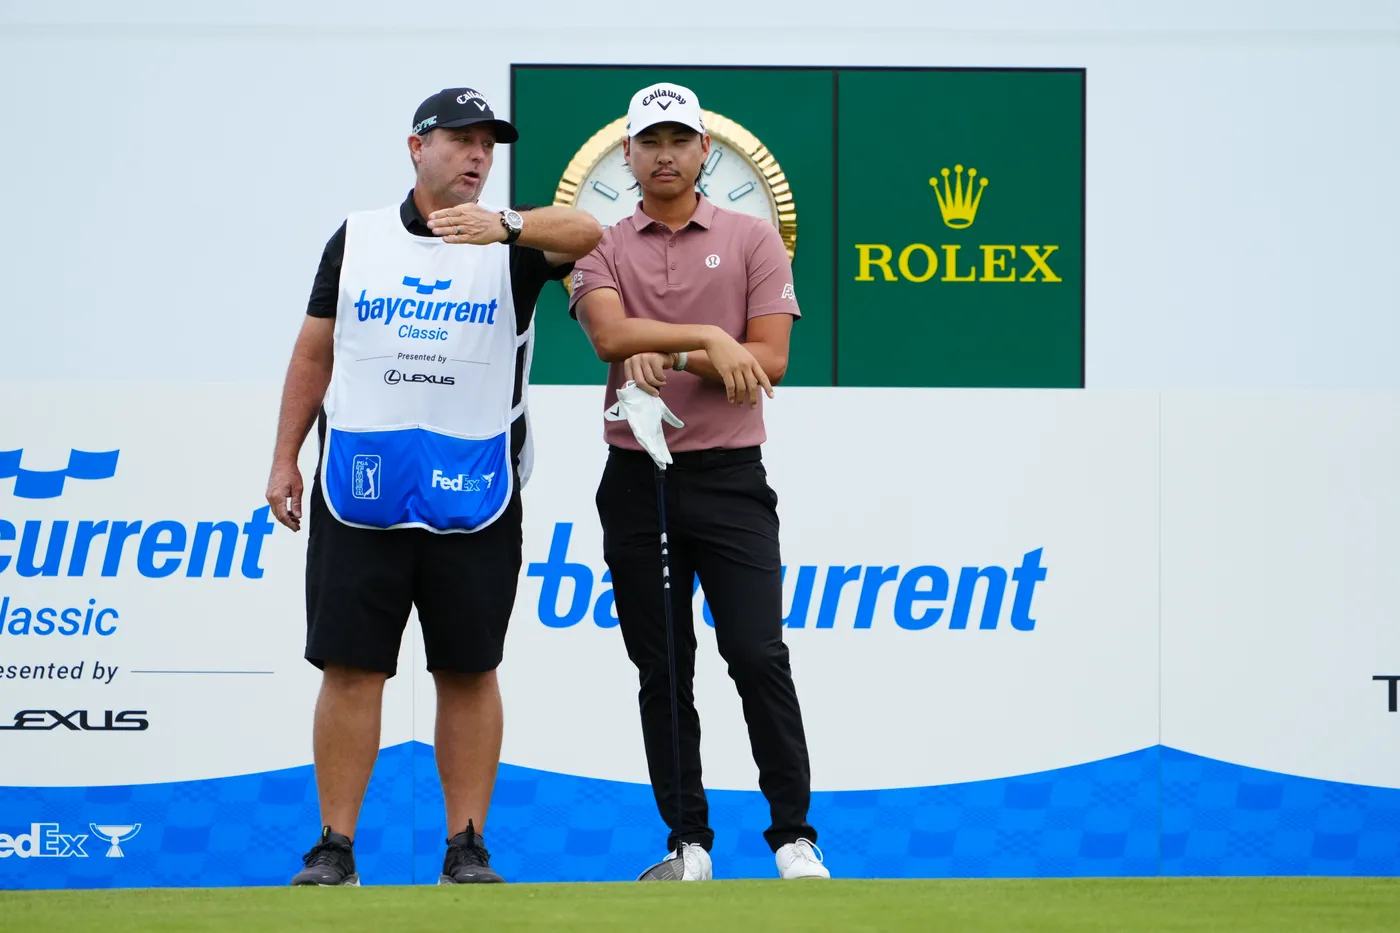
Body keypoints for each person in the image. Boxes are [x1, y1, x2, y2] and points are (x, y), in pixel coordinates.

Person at [264, 86, 602, 886]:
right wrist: (284, 457)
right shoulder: (358, 237)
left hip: (475, 492)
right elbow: (314, 352)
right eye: (460, 139)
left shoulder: (516, 240)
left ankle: (466, 846)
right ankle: (335, 846)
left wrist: (507, 225)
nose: (478, 155)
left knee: (469, 669)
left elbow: (592, 231)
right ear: (418, 147)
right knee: (350, 668)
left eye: (488, 144)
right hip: (361, 490)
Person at [569, 82, 829, 881]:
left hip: (730, 478)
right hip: (637, 479)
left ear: (705, 150)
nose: (666, 155)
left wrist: (679, 352)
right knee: (664, 666)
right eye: (650, 142)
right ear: (627, 154)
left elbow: (769, 361)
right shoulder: (600, 244)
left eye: (680, 140)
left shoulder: (753, 238)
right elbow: (609, 336)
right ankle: (689, 842)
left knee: (756, 653)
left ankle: (793, 836)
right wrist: (714, 340)